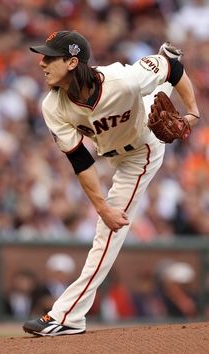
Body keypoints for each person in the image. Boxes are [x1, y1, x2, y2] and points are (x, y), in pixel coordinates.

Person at [23, 30, 200, 336]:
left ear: (71, 62)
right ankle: (163, 57)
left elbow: (176, 72)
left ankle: (68, 315)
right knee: (146, 95)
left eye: (50, 57)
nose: (41, 63)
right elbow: (81, 161)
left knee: (107, 234)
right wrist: (100, 205)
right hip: (113, 147)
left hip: (141, 151)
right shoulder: (52, 106)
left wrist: (193, 113)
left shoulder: (121, 79)